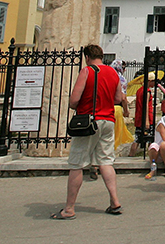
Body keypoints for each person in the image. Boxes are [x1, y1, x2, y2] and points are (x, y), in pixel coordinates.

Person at [51, 44, 126, 219]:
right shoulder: (113, 73)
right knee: (106, 161)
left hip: (89, 121)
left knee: (77, 163)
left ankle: (69, 209)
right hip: (108, 120)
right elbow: (117, 98)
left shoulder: (87, 71)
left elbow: (74, 100)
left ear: (87, 57)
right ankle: (115, 201)